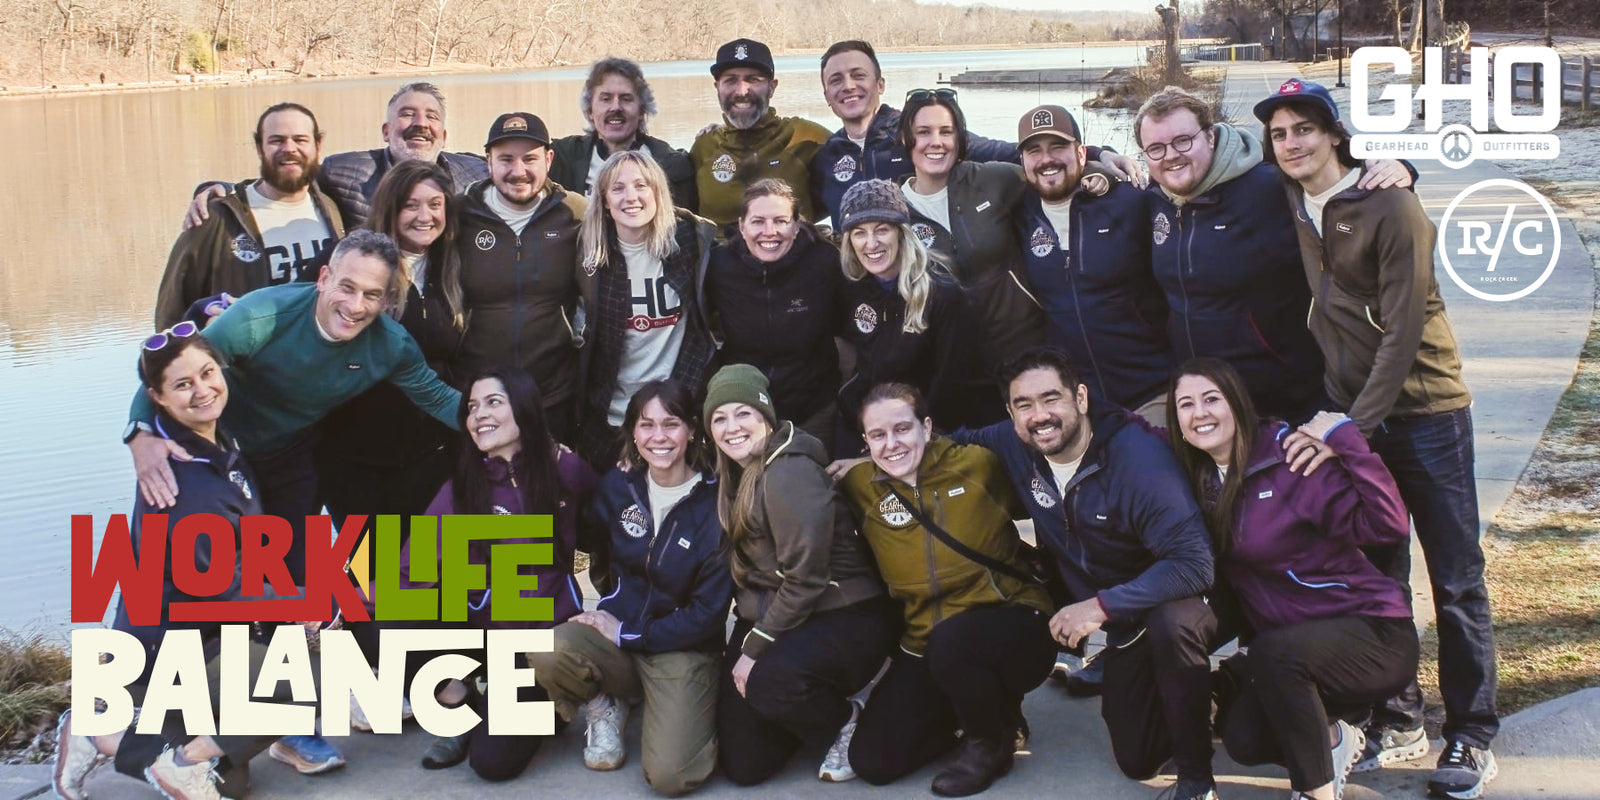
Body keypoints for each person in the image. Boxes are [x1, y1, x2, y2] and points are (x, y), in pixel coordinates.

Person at [1255, 79, 1498, 799]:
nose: (1291, 143)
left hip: (1424, 414)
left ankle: (1473, 732)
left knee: (1455, 577)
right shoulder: (1294, 199)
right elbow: (1214, 148)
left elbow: (1405, 331)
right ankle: (1399, 717)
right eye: (1280, 134)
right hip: (1355, 418)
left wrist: (1348, 427)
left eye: (1305, 129)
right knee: (1378, 578)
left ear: (1336, 134)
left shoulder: (1392, 204)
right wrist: (1115, 166)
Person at [55, 331, 332, 800]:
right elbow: (220, 593)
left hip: (204, 640)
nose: (202, 389)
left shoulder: (214, 444)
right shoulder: (187, 485)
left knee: (231, 783)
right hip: (169, 651)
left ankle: (117, 737)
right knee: (322, 672)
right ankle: (152, 751)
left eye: (207, 374)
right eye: (182, 385)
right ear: (157, 398)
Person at [943, 346, 1221, 800]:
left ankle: (1196, 781)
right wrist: (865, 463)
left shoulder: (1137, 458)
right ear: (1011, 413)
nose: (1040, 415)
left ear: (1081, 398)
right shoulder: (1015, 442)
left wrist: (1099, 607)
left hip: (1175, 598)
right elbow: (948, 444)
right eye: (1024, 405)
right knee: (1138, 758)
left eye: (1051, 399)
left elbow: (1195, 564)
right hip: (1122, 620)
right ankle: (1216, 690)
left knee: (1174, 627)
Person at [126, 230, 462, 590]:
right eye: (346, 287)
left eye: (372, 295)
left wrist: (507, 427)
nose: (355, 306)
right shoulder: (258, 318)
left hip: (288, 452)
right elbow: (172, 370)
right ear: (323, 279)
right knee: (185, 563)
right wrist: (139, 435)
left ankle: (295, 634)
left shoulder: (392, 346)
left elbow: (439, 398)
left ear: (385, 301)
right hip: (215, 450)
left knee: (288, 566)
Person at [1168, 358, 1419, 800]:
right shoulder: (1201, 479)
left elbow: (1388, 526)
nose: (1199, 413)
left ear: (1237, 404)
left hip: (1371, 632)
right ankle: (1335, 739)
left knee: (1274, 653)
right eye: (1185, 405)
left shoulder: (1289, 457)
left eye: (1211, 399)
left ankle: (1315, 792)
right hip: (1293, 650)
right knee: (1245, 740)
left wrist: (1345, 440)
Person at [369, 366, 598, 780]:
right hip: (481, 632)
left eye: (493, 402)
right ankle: (461, 703)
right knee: (375, 616)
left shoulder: (565, 469)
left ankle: (546, 702)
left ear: (524, 410)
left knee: (492, 764)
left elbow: (609, 524)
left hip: (539, 642)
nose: (479, 415)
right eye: (472, 407)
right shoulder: (462, 485)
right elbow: (411, 567)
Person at [1135, 86, 1412, 423]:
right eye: (1156, 148)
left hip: (1284, 401)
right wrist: (1098, 160)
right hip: (1205, 408)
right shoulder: (1152, 200)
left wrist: (1396, 169)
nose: (1171, 155)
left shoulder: (1269, 187)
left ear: (1210, 137)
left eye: (1183, 141)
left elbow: (1334, 183)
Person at [835, 382, 1055, 797]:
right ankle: (985, 714)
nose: (892, 444)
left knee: (954, 640)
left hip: (1012, 620)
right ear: (864, 442)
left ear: (928, 426)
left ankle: (989, 743)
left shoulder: (978, 466)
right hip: (925, 641)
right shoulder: (860, 484)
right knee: (874, 761)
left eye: (903, 429)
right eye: (878, 435)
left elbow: (1047, 500)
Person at [527, 380, 731, 795]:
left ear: (692, 430)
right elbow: (587, 546)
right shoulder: (619, 487)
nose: (658, 437)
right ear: (633, 433)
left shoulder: (716, 504)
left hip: (682, 649)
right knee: (547, 647)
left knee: (671, 776)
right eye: (646, 425)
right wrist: (597, 597)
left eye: (671, 424)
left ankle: (679, 711)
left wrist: (628, 632)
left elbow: (708, 613)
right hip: (619, 637)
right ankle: (607, 704)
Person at [702, 364, 898, 786]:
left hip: (841, 612)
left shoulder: (787, 472)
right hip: (778, 611)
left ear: (766, 418)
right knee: (745, 764)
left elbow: (806, 579)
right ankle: (803, 705)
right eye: (719, 418)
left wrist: (753, 650)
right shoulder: (734, 474)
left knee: (770, 683)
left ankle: (847, 717)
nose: (732, 427)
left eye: (744, 414)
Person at [315, 159, 466, 530]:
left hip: (432, 453)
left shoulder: (453, 265)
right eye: (411, 205)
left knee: (430, 571)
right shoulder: (353, 261)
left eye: (435, 204)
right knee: (365, 570)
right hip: (354, 455)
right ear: (390, 207)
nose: (424, 215)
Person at [1013, 103, 1171, 424]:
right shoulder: (1018, 214)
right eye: (1034, 150)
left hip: (1153, 390)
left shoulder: (1130, 202)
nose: (1046, 159)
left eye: (1058, 147)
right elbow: (966, 150)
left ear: (1081, 154)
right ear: (1022, 161)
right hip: (1080, 405)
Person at [574, 150, 718, 468]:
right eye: (618, 188)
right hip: (611, 416)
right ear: (605, 201)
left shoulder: (690, 241)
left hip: (676, 411)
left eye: (641, 185)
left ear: (658, 192)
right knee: (613, 509)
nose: (631, 197)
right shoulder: (589, 255)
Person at [453, 112, 593, 440]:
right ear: (488, 162)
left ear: (549, 159)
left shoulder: (575, 212)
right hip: (478, 396)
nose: (518, 172)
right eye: (505, 159)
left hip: (553, 393)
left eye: (529, 159)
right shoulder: (459, 213)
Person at [185, 82, 488, 231]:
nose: (420, 123)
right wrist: (222, 189)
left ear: (444, 135)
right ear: (386, 130)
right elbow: (285, 185)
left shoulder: (474, 173)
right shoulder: (344, 171)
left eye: (431, 117)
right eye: (407, 115)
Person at [834, 179, 994, 450]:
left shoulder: (942, 294)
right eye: (859, 232)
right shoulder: (852, 289)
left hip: (929, 432)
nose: (871, 243)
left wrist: (910, 436)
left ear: (901, 232)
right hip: (870, 426)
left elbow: (952, 386)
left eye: (881, 230)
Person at [155, 102, 343, 328]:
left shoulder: (332, 209)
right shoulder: (215, 218)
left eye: (300, 139)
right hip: (243, 358)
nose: (290, 148)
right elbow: (172, 310)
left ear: (318, 146)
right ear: (259, 148)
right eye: (277, 140)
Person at [896, 88, 1045, 368]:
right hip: (953, 366)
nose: (936, 142)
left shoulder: (991, 179)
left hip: (1025, 350)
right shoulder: (896, 210)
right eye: (924, 132)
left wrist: (1101, 167)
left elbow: (1051, 169)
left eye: (946, 131)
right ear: (906, 138)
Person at [809, 40, 1018, 224]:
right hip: (857, 266)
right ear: (827, 96)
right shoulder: (826, 156)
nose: (848, 86)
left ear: (880, 84)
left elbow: (1012, 154)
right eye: (836, 80)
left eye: (858, 75)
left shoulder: (919, 133)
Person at [705, 179, 842, 449]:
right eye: (758, 221)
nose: (770, 232)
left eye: (780, 221)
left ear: (796, 225)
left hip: (814, 409)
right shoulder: (720, 266)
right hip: (746, 414)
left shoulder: (824, 262)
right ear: (742, 226)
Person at [691, 38, 830, 225]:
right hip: (720, 253)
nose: (741, 91)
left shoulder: (806, 137)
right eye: (730, 80)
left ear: (772, 87)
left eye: (753, 79)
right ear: (717, 88)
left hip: (792, 252)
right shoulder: (704, 146)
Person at [549, 57, 697, 209]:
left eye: (626, 99)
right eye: (605, 99)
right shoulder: (563, 157)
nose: (616, 107)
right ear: (590, 110)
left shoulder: (671, 165)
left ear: (642, 110)